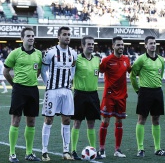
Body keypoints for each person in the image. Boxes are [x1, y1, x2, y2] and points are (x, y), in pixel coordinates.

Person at [3, 27, 42, 162]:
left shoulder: (38, 54)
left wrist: (32, 80)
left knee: (31, 121)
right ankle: (12, 153)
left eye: (32, 35)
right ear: (22, 38)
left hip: (33, 89)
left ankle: (29, 153)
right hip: (19, 89)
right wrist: (14, 85)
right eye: (28, 36)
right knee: (16, 120)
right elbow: (6, 71)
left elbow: (39, 71)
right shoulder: (15, 53)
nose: (31, 38)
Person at [41, 26, 77, 161]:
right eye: (64, 34)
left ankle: (66, 151)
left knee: (66, 119)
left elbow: (73, 69)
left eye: (69, 34)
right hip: (52, 91)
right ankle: (44, 151)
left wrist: (70, 81)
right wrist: (48, 85)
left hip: (67, 90)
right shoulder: (50, 52)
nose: (67, 37)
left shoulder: (73, 53)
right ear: (59, 37)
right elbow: (44, 70)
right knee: (49, 119)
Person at [130, 36, 165, 157]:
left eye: (154, 43)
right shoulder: (140, 60)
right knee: (141, 119)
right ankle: (140, 148)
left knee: (156, 120)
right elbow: (133, 76)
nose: (153, 45)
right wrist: (138, 90)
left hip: (157, 92)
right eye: (150, 43)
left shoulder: (161, 60)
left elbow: (161, 74)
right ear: (146, 45)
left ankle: (157, 149)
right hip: (145, 92)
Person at [97, 36, 131, 159]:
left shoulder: (127, 60)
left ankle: (117, 150)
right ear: (113, 46)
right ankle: (101, 149)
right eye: (118, 45)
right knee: (105, 121)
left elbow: (131, 71)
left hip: (122, 97)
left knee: (119, 122)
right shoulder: (106, 60)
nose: (121, 47)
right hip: (109, 96)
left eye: (122, 45)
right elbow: (99, 71)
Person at [70, 36, 101, 160]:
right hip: (80, 94)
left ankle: (93, 150)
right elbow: (70, 75)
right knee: (77, 122)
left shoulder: (97, 60)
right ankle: (73, 150)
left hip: (93, 94)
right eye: (88, 44)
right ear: (82, 45)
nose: (91, 46)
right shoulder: (76, 59)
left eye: (92, 44)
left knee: (91, 123)